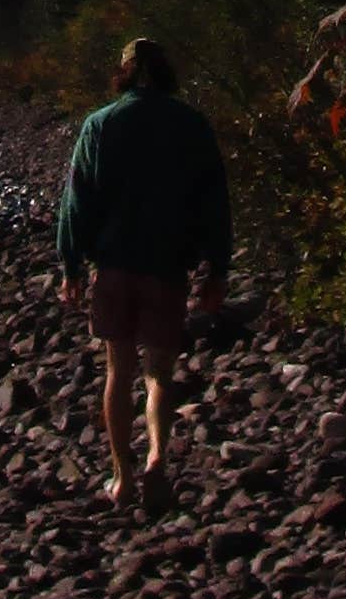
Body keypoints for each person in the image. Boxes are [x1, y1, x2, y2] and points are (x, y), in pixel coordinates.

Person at [53, 36, 232, 504]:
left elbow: (77, 201)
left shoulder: (100, 125)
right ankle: (156, 459)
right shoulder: (192, 125)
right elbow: (215, 201)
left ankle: (123, 476)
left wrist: (71, 263)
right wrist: (218, 268)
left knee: (119, 369)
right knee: (159, 372)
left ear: (125, 72)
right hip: (167, 264)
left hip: (114, 265)